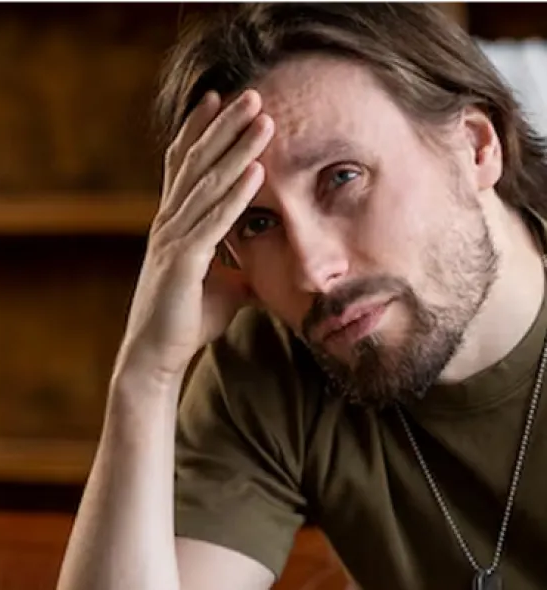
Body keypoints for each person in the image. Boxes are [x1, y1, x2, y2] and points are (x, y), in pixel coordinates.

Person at [56, 4, 547, 590]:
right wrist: (146, 372)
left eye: (342, 177)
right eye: (258, 223)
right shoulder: (272, 365)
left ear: (475, 147)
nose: (313, 271)